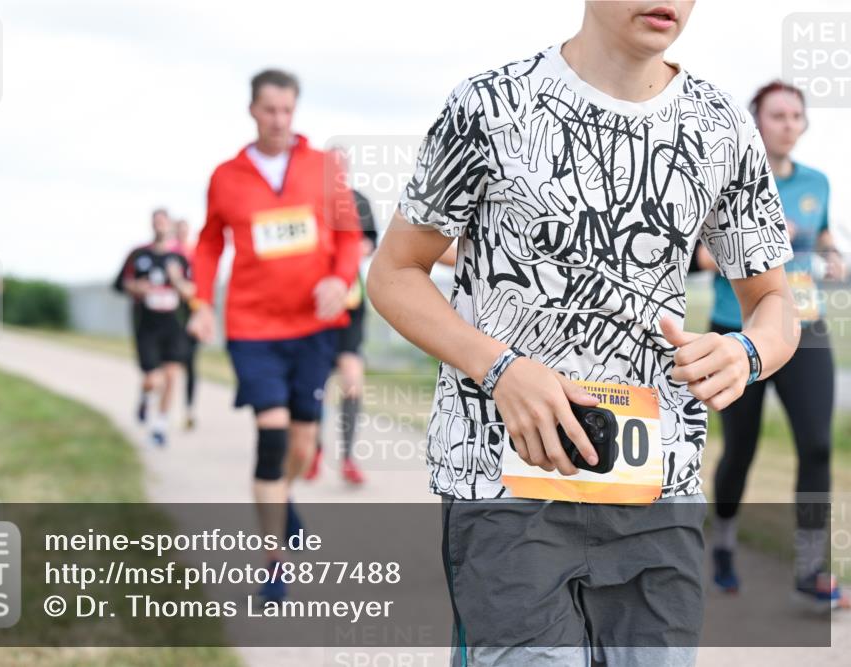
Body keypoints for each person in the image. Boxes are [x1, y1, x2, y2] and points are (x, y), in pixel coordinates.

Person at [366, 2, 800, 665]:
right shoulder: (488, 105)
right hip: (506, 487)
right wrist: (501, 368)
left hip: (657, 492)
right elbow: (394, 272)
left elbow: (773, 301)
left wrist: (747, 350)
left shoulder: (722, 129)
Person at [188, 69, 361, 603]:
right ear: (252, 110)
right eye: (270, 111)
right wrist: (199, 302)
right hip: (252, 326)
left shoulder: (325, 167)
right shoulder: (226, 176)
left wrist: (340, 275)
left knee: (302, 443)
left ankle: (282, 501)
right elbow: (209, 244)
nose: (280, 121)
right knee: (272, 434)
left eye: (288, 111)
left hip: (313, 329)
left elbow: (349, 235)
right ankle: (272, 562)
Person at [693, 80, 848, 609]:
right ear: (756, 123)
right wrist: (751, 247)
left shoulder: (817, 182)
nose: (787, 123)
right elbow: (695, 253)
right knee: (741, 449)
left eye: (795, 115)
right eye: (776, 115)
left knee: (817, 445)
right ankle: (725, 545)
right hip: (737, 330)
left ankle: (809, 570)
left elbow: (822, 234)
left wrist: (832, 256)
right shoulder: (730, 179)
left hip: (804, 327)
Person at [305, 189, 378, 485]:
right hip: (312, 301)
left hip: (349, 301)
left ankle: (347, 457)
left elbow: (371, 241)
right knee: (314, 384)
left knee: (351, 380)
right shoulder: (307, 194)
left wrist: (357, 248)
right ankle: (314, 451)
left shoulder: (358, 200)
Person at [114, 208, 194, 446]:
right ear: (151, 224)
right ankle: (145, 397)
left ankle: (159, 427)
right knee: (153, 380)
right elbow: (120, 284)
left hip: (173, 325)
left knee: (171, 376)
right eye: (156, 221)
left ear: (169, 225)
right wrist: (136, 287)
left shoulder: (181, 258)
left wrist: (177, 279)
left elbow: (192, 292)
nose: (160, 225)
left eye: (163, 221)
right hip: (146, 325)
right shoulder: (138, 254)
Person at [170, 218, 200, 430]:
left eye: (185, 230)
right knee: (171, 365)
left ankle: (189, 409)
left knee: (190, 363)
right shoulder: (168, 255)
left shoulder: (195, 253)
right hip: (171, 316)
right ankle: (164, 407)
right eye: (179, 230)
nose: (182, 233)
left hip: (192, 312)